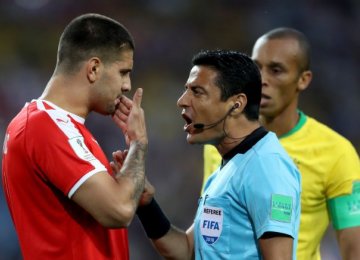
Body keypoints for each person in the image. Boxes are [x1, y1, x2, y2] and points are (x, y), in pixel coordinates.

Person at [125, 49, 301, 259]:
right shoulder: (226, 169)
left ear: (236, 104)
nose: (182, 100)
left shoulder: (267, 166)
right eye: (186, 90)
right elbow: (187, 250)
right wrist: (146, 205)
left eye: (197, 91)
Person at [203, 28, 360, 260]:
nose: (261, 80)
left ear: (303, 80)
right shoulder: (219, 143)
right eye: (256, 68)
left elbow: (353, 250)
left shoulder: (336, 152)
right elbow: (210, 229)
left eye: (276, 70)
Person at [1, 13, 148, 259]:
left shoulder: (58, 126)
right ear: (93, 69)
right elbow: (119, 210)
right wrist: (139, 143)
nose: (127, 85)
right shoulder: (44, 126)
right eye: (124, 72)